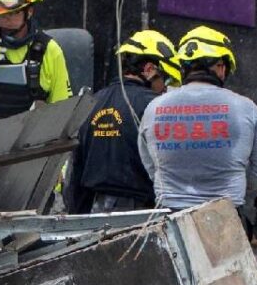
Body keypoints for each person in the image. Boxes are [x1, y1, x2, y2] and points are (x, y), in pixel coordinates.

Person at [138, 25, 257, 231]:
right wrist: (234, 179)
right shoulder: (244, 108)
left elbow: (150, 164)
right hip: (225, 217)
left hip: (169, 220)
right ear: (221, 67)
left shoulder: (154, 108)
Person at [65, 29, 181, 214]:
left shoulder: (91, 103)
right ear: (149, 70)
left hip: (92, 211)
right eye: (165, 79)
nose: (164, 88)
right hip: (140, 212)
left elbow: (75, 169)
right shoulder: (155, 106)